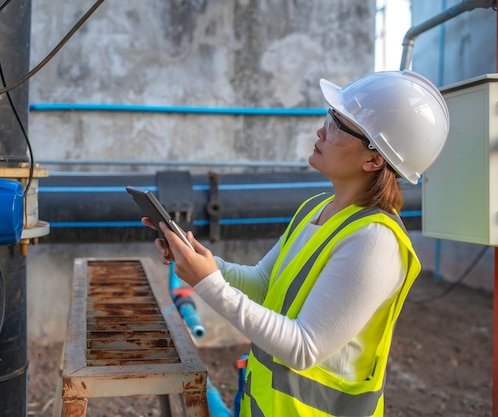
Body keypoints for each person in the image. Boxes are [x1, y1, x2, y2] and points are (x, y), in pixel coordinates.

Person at [142, 70, 450, 417]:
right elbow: (263, 283)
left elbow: (305, 347)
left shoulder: (374, 242)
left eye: (338, 124)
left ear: (374, 159)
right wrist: (205, 262)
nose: (322, 130)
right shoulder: (315, 209)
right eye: (329, 117)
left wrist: (207, 283)